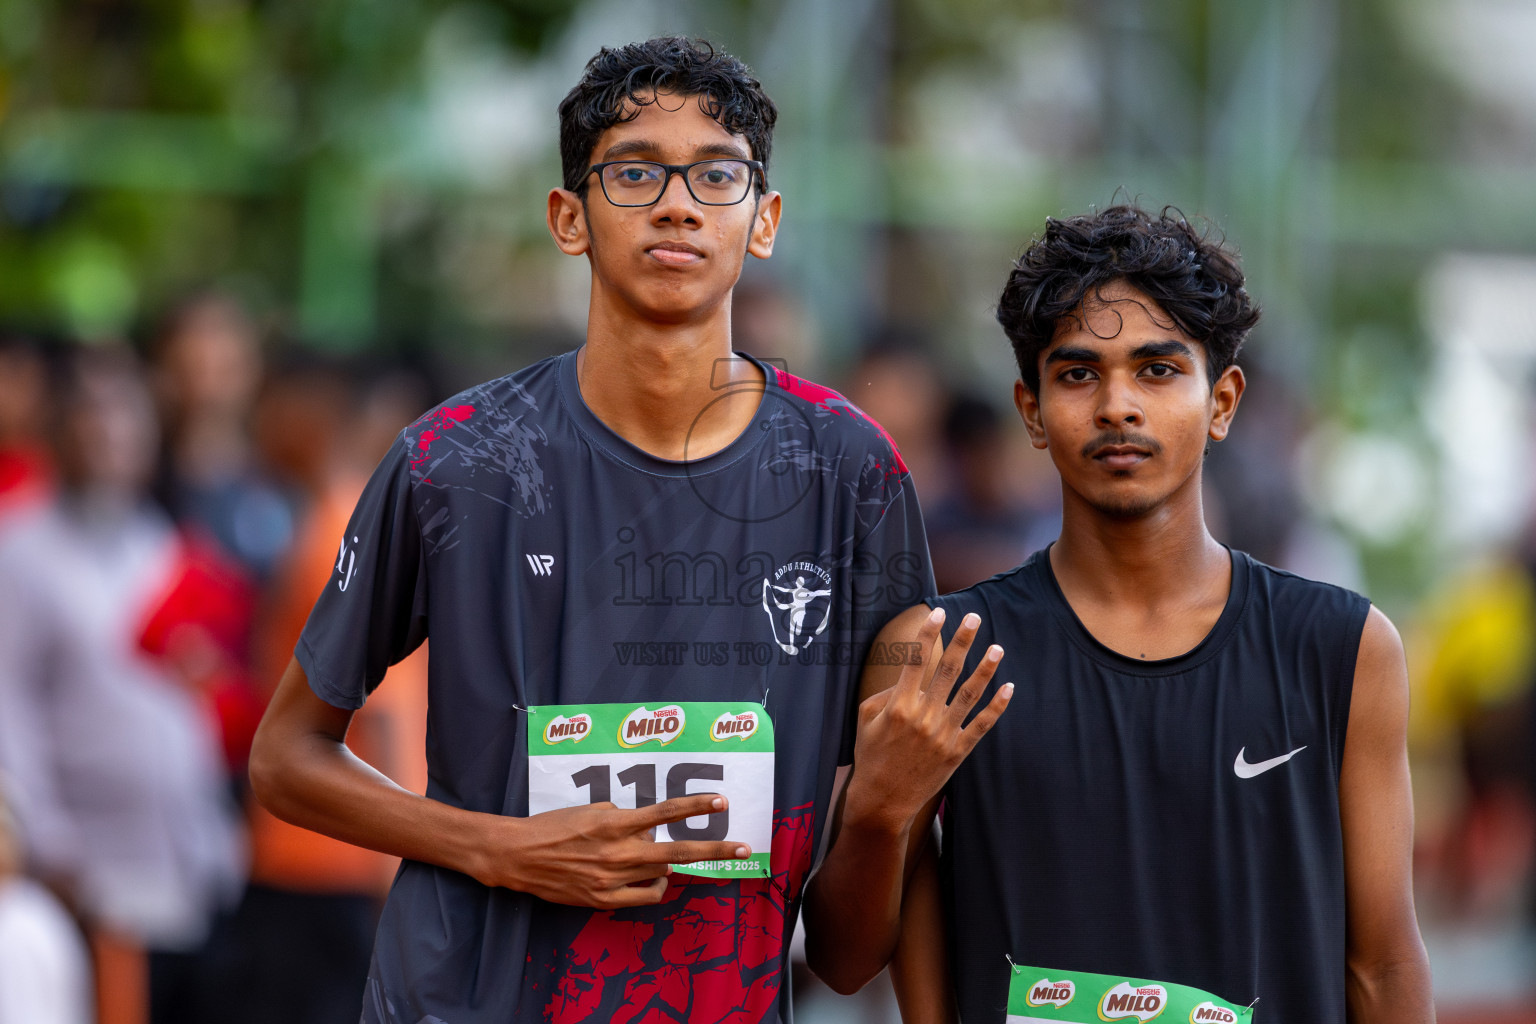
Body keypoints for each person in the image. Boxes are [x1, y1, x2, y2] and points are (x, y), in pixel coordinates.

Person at [249, 36, 932, 1024]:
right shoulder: (457, 459)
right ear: (569, 217)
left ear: (765, 219)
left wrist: (881, 807)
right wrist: (493, 844)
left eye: (717, 174)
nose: (677, 202)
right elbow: (285, 757)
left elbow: (850, 953)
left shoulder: (852, 472)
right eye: (636, 171)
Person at [802, 205, 1433, 1023]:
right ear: (1030, 411)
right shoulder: (942, 652)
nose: (1117, 406)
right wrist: (879, 812)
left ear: (1223, 401)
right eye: (1078, 374)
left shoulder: (1344, 649)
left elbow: (1382, 962)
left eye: (1158, 370)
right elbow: (843, 963)